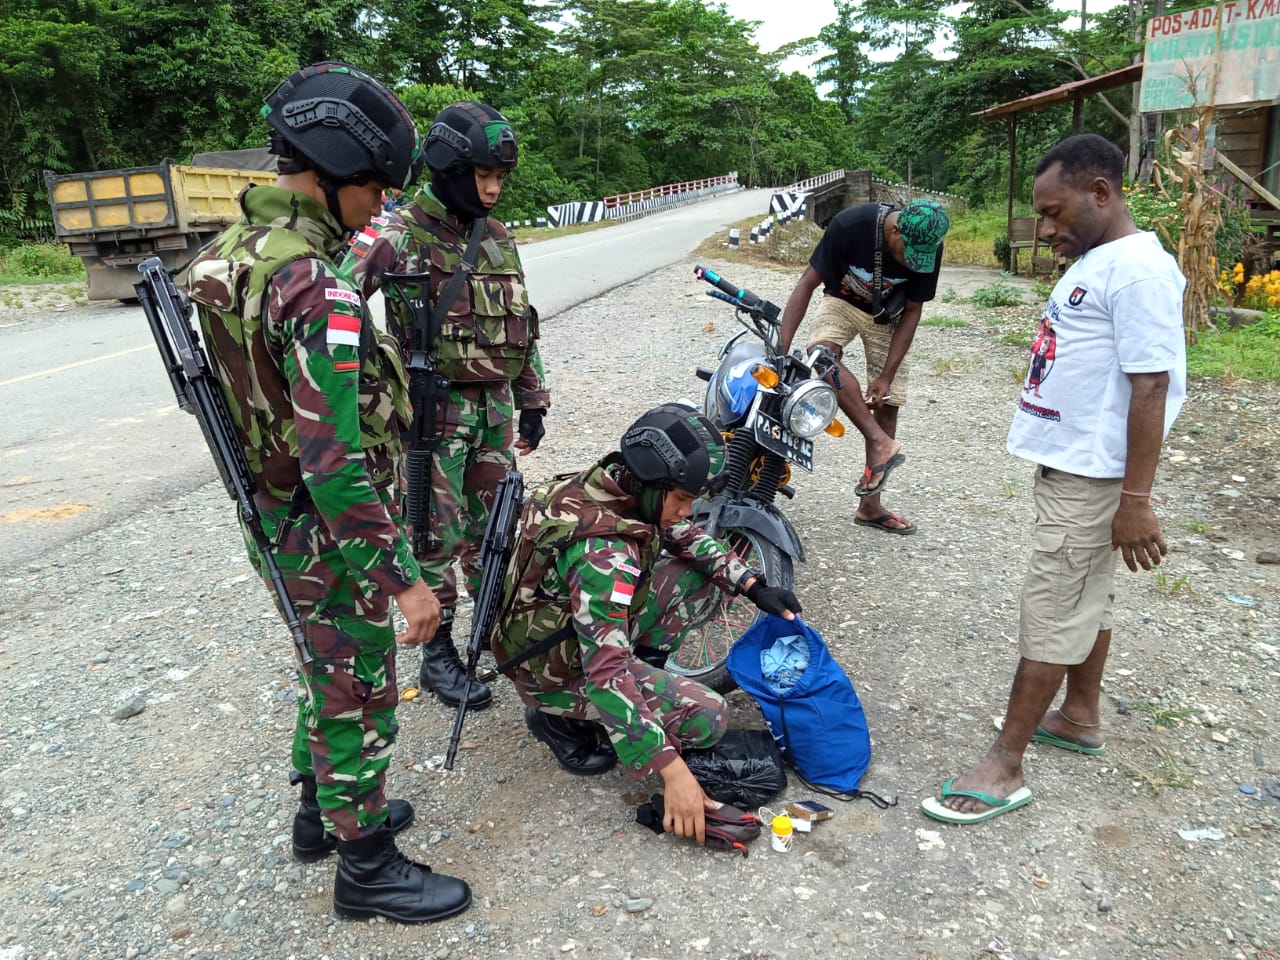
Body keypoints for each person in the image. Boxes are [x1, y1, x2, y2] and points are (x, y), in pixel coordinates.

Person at [184, 62, 471, 922]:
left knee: (324, 667)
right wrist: (403, 580)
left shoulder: (230, 254)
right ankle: (367, 866)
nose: (380, 204)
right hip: (326, 523)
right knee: (356, 684)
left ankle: (322, 814)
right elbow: (333, 457)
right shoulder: (314, 284)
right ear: (332, 173)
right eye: (374, 186)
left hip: (274, 516)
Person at [921, 133, 1186, 825]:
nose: (1045, 228)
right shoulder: (1102, 259)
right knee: (1083, 598)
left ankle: (1004, 764)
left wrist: (1135, 499)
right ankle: (1080, 715)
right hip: (1076, 469)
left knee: (1052, 609)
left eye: (1055, 211)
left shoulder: (1137, 273)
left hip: (1094, 480)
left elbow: (1151, 386)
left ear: (1101, 193)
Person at [492, 404, 802, 845]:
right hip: (554, 669)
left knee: (692, 574)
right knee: (709, 718)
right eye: (681, 499)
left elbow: (682, 535)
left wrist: (751, 585)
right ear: (653, 486)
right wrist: (673, 772)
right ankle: (555, 716)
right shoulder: (605, 556)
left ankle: (641, 681)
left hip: (555, 631)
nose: (686, 510)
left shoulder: (604, 486)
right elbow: (606, 675)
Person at [343, 101, 548, 712]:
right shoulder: (399, 233)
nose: (492, 189)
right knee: (434, 534)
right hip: (433, 416)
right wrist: (372, 383)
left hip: (495, 412)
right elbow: (332, 298)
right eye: (482, 176)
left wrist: (534, 399)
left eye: (500, 178)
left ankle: (496, 633)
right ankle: (438, 658)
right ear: (448, 168)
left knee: (497, 532)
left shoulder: (500, 237)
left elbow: (523, 324)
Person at [779, 198, 951, 535]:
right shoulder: (850, 225)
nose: (913, 265)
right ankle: (878, 439)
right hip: (841, 302)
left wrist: (886, 376)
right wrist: (781, 349)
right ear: (896, 229)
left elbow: (913, 310)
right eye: (906, 254)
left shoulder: (929, 244)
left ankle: (870, 506)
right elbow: (806, 283)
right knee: (821, 355)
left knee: (887, 403)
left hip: (889, 316)